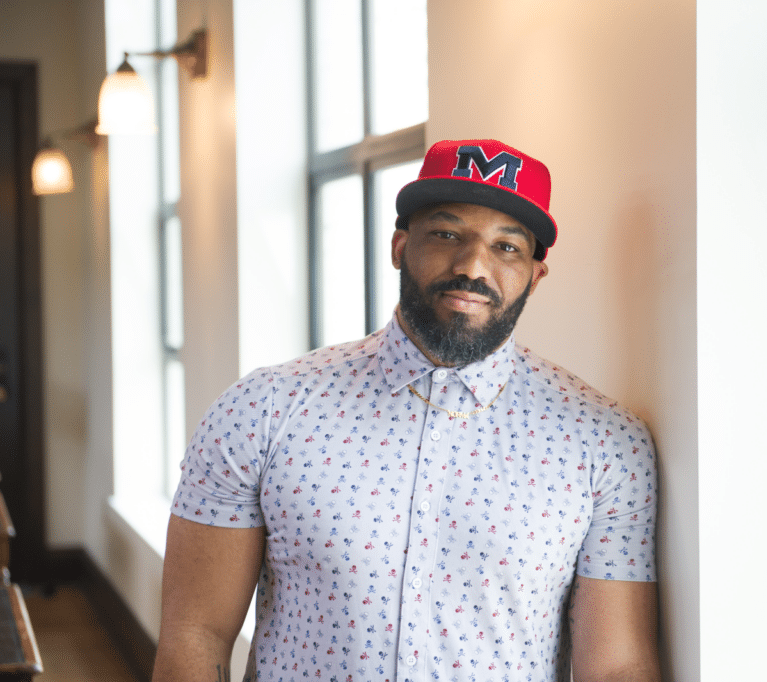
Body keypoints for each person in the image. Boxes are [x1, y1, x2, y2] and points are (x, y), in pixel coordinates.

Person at [152, 139, 661, 682]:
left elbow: (617, 666)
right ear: (399, 246)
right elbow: (196, 634)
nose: (473, 266)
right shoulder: (264, 411)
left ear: (535, 276)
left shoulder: (605, 444)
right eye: (446, 234)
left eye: (507, 247)